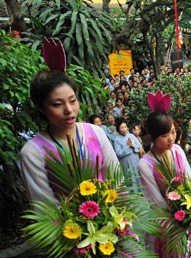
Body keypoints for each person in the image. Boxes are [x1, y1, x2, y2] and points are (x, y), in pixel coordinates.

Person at [138, 96, 191, 258]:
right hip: (165, 219)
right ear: (152, 137)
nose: (171, 138)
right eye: (164, 135)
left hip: (185, 211)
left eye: (173, 132)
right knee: (171, 256)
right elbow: (155, 200)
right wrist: (177, 218)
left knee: (186, 252)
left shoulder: (178, 151)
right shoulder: (146, 164)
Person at [20, 70, 119, 206]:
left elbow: (116, 179)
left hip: (112, 218)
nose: (69, 110)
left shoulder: (95, 133)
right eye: (57, 104)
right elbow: (44, 208)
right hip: (67, 226)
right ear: (41, 108)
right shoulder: (32, 152)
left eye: (72, 101)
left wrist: (122, 221)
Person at [113, 118, 142, 192]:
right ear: (118, 129)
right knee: (130, 177)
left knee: (138, 175)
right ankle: (132, 193)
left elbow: (139, 147)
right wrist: (128, 146)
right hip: (126, 163)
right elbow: (118, 153)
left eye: (125, 127)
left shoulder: (131, 136)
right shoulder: (116, 139)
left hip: (135, 160)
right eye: (122, 127)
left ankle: (140, 191)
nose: (124, 129)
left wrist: (132, 146)